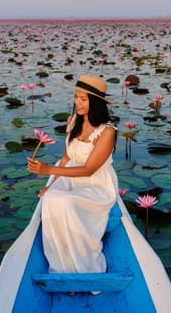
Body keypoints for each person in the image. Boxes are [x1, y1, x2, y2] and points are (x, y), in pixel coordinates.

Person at [27, 75, 119, 278]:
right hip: (69, 175)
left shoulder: (107, 132)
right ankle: (63, 266)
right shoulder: (73, 121)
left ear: (95, 102)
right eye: (76, 97)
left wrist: (48, 170)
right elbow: (67, 157)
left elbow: (89, 170)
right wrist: (51, 186)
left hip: (96, 184)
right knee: (50, 199)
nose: (77, 103)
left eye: (83, 99)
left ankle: (84, 265)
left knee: (66, 204)